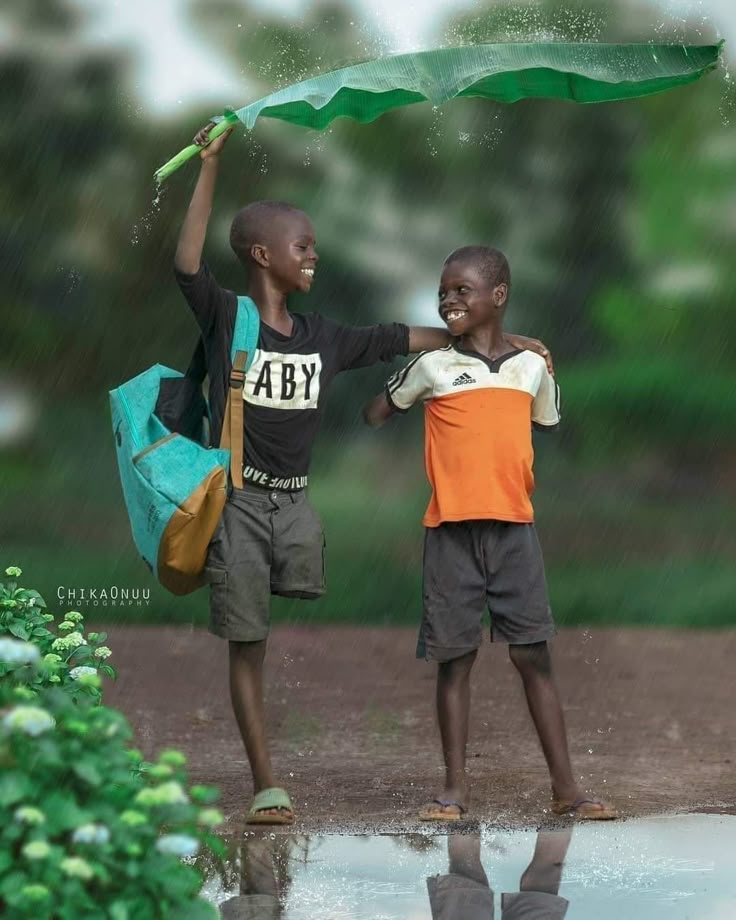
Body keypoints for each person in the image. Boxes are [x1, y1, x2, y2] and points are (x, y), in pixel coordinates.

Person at [175, 125, 552, 825]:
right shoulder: (228, 319)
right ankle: (266, 784)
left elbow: (400, 339)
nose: (313, 253)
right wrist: (209, 168)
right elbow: (189, 266)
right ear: (263, 256)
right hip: (239, 504)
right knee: (249, 643)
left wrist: (499, 342)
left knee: (288, 611)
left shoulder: (324, 337)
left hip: (295, 507)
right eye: (301, 245)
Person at [364, 245, 617, 821]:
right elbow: (375, 413)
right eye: (444, 291)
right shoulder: (433, 368)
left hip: (514, 533)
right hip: (450, 533)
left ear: (497, 297)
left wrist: (530, 350)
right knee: (455, 661)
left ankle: (567, 791)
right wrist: (415, 372)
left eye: (462, 291)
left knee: (534, 658)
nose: (449, 299)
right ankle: (453, 790)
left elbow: (546, 420)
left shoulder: (531, 368)